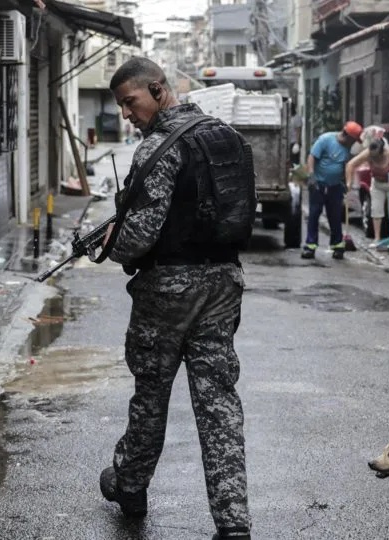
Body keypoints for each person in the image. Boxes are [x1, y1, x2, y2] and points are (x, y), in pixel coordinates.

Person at [98, 57, 254, 540]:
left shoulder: (156, 148)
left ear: (159, 90)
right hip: (223, 283)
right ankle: (233, 521)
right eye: (122, 105)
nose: (127, 113)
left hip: (168, 290)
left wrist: (110, 247)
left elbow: (138, 236)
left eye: (131, 102)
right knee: (218, 401)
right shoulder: (224, 135)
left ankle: (130, 485)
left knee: (151, 394)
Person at [302, 121, 363, 260]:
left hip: (335, 186)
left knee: (335, 216)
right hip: (319, 185)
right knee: (314, 214)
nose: (354, 143)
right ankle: (310, 246)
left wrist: (347, 183)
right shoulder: (326, 139)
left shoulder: (349, 148)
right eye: (354, 140)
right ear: (346, 135)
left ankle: (337, 246)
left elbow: (348, 165)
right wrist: (311, 176)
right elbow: (312, 156)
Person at [346, 138, 389, 250]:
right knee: (376, 210)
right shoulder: (368, 153)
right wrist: (349, 182)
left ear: (382, 151)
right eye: (372, 155)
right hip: (377, 183)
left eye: (376, 156)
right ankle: (377, 238)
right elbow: (350, 165)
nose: (373, 158)